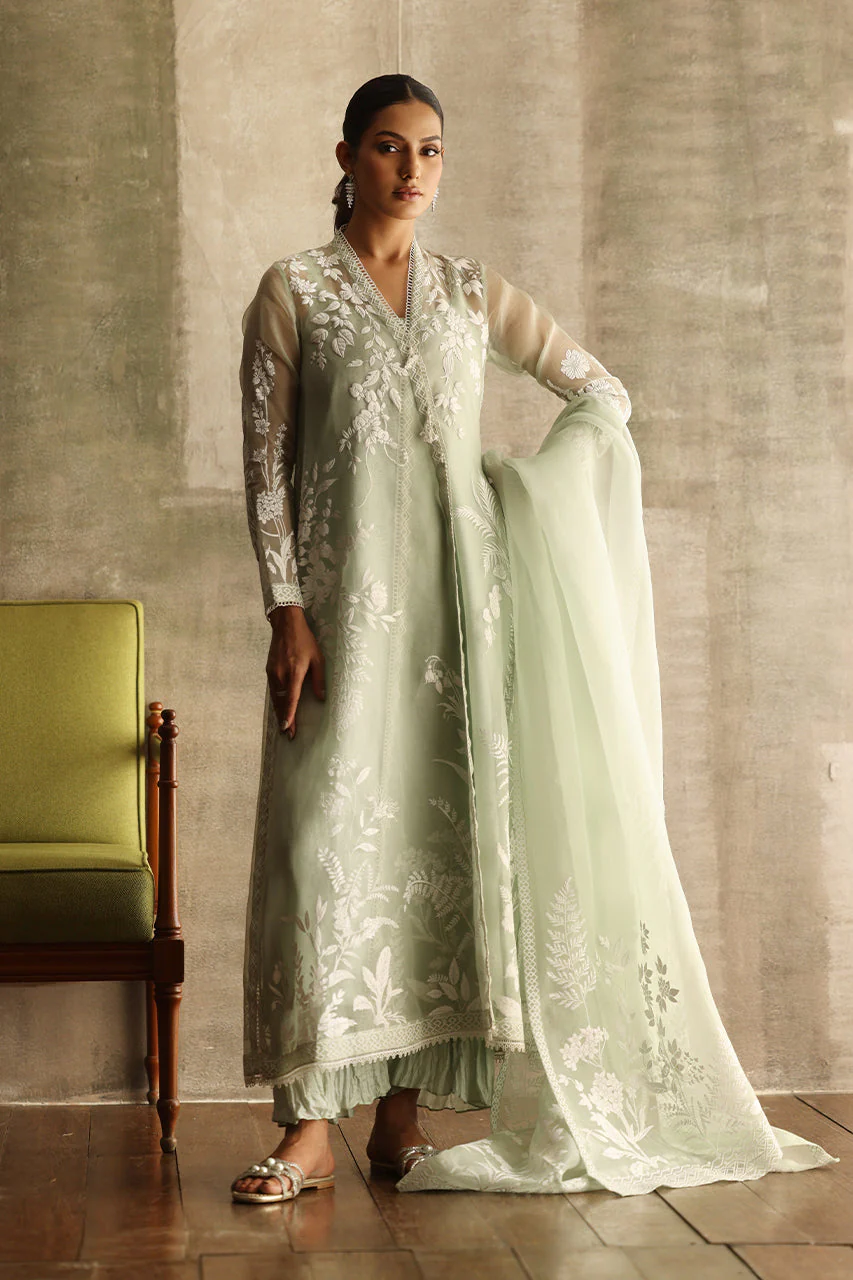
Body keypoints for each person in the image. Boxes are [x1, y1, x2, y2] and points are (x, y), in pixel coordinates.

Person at [231, 74, 839, 1203]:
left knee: (440, 857)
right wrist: (286, 608)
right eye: (388, 146)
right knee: (325, 852)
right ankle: (308, 1125)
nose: (411, 169)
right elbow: (265, 467)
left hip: (464, 620)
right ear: (346, 157)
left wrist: (513, 496)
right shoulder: (295, 292)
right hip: (343, 621)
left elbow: (598, 392)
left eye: (429, 149)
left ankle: (399, 1123)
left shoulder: (470, 292)